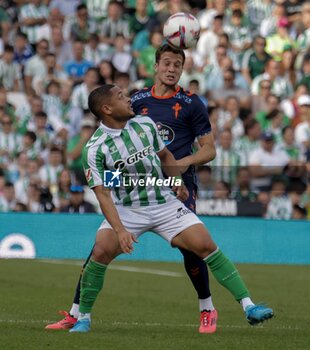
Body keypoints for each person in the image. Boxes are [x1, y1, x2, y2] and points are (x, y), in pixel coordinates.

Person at [67, 84, 273, 333]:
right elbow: (103, 193)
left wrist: (176, 182)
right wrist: (120, 230)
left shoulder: (145, 124)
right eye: (121, 97)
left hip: (163, 202)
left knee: (206, 245)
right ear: (107, 109)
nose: (129, 99)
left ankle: (249, 306)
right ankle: (84, 318)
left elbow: (165, 157)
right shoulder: (95, 148)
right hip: (126, 209)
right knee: (99, 252)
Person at [46, 44, 219, 334]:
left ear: (182, 69)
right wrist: (117, 181)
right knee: (99, 249)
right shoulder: (136, 100)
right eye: (166, 63)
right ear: (155, 66)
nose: (171, 69)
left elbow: (210, 150)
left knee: (192, 249)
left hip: (177, 184)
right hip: (139, 183)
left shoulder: (192, 103)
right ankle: (76, 313)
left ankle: (206, 308)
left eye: (177, 64)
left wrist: (178, 165)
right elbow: (114, 132)